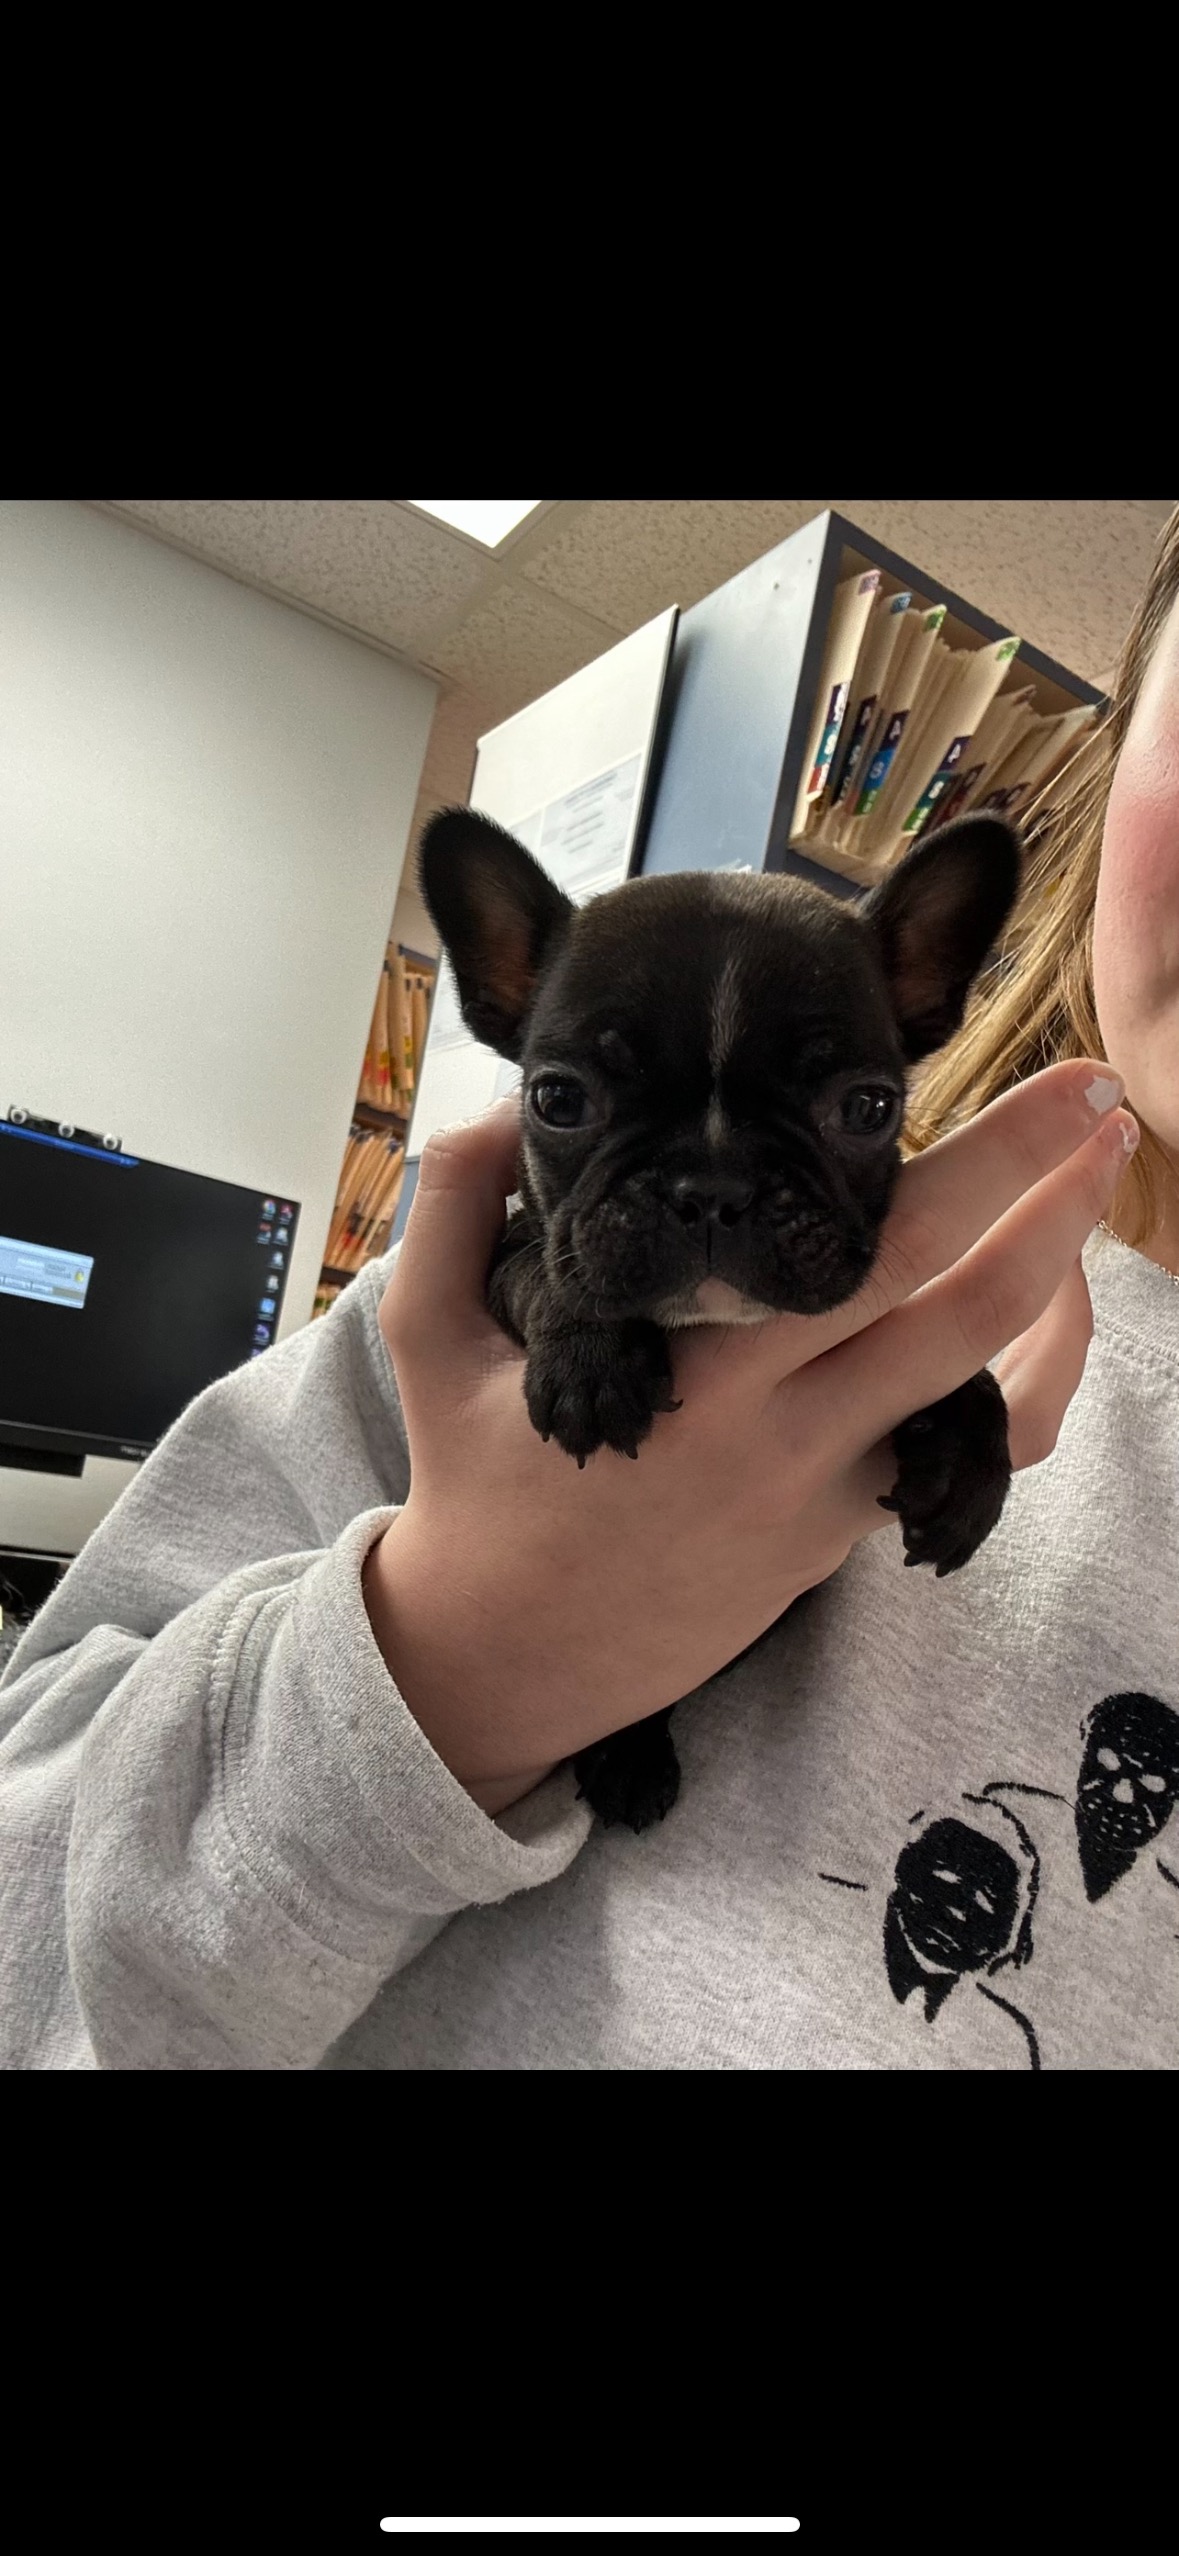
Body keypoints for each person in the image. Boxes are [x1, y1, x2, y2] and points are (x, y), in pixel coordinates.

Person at [3, 512, 1178, 2073]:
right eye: (575, 1107)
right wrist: (452, 1662)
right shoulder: (435, 1341)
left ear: (923, 992)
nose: (705, 1195)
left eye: (837, 1112)